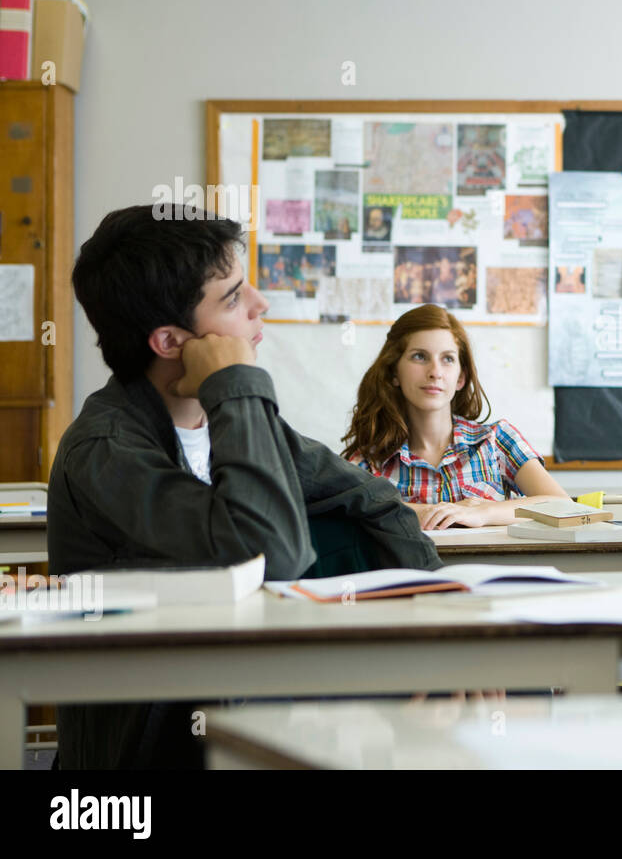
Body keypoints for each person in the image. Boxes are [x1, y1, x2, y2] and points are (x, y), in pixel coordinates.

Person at [47, 204, 437, 769]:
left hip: (249, 700)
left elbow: (378, 501)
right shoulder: (104, 449)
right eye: (232, 298)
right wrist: (235, 383)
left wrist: (443, 642)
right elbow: (267, 551)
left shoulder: (237, 421)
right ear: (170, 341)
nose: (260, 304)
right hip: (149, 751)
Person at [343, 304, 567, 528]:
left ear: (461, 378)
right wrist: (421, 512)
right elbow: (340, 513)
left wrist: (483, 512)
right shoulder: (368, 461)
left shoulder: (496, 440)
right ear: (394, 373)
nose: (435, 372)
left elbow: (561, 505)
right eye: (420, 356)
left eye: (448, 359)